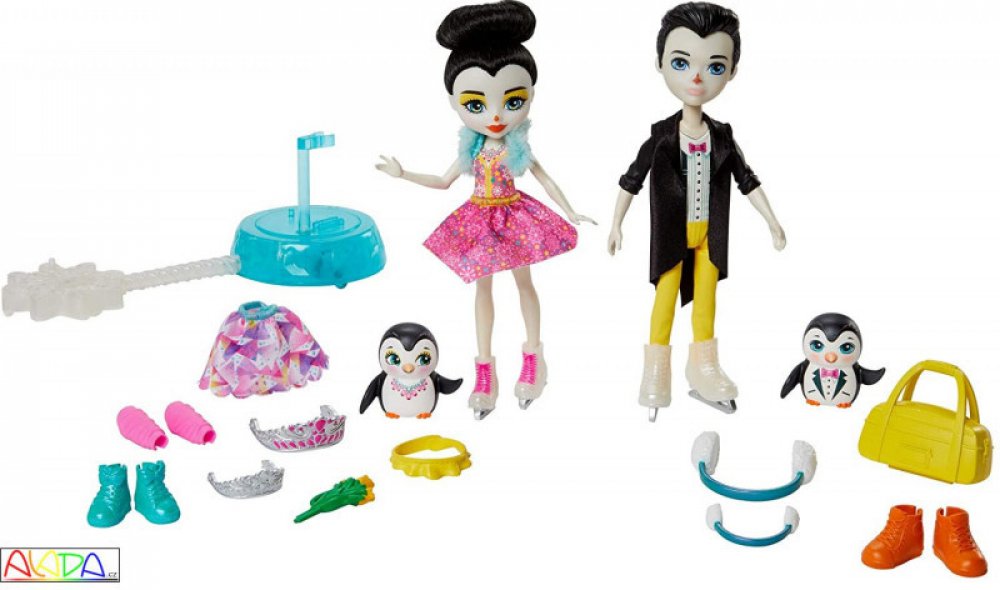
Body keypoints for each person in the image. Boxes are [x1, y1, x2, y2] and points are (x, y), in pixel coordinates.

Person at [376, 0, 594, 419]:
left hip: (514, 217)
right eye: (476, 105)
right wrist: (403, 174)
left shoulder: (517, 147)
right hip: (480, 219)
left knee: (524, 284)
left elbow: (545, 178)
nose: (495, 116)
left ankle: (533, 358)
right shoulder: (472, 148)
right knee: (483, 289)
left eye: (512, 101)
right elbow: (443, 181)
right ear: (454, 102)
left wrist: (571, 211)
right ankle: (484, 370)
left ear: (530, 95)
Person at [608, 2, 786, 420]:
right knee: (665, 300)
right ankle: (656, 370)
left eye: (715, 66)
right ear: (660, 63)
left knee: (707, 302)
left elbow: (747, 180)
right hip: (673, 233)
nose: (697, 77)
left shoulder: (721, 136)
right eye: (681, 62)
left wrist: (772, 222)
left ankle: (703, 365)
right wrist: (616, 224)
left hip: (710, 235)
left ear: (732, 71)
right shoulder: (661, 137)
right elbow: (631, 179)